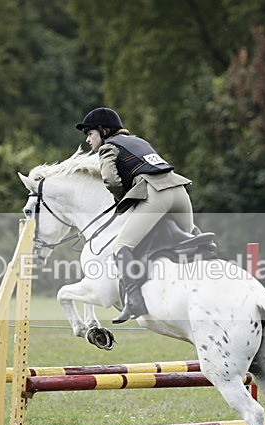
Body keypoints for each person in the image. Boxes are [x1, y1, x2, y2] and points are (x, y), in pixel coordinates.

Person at [75, 107, 194, 323]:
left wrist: (122, 199)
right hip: (180, 192)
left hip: (157, 195)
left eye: (90, 134)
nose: (88, 140)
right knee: (190, 240)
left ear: (104, 130)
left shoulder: (108, 148)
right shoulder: (139, 142)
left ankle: (134, 301)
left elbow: (110, 180)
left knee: (121, 246)